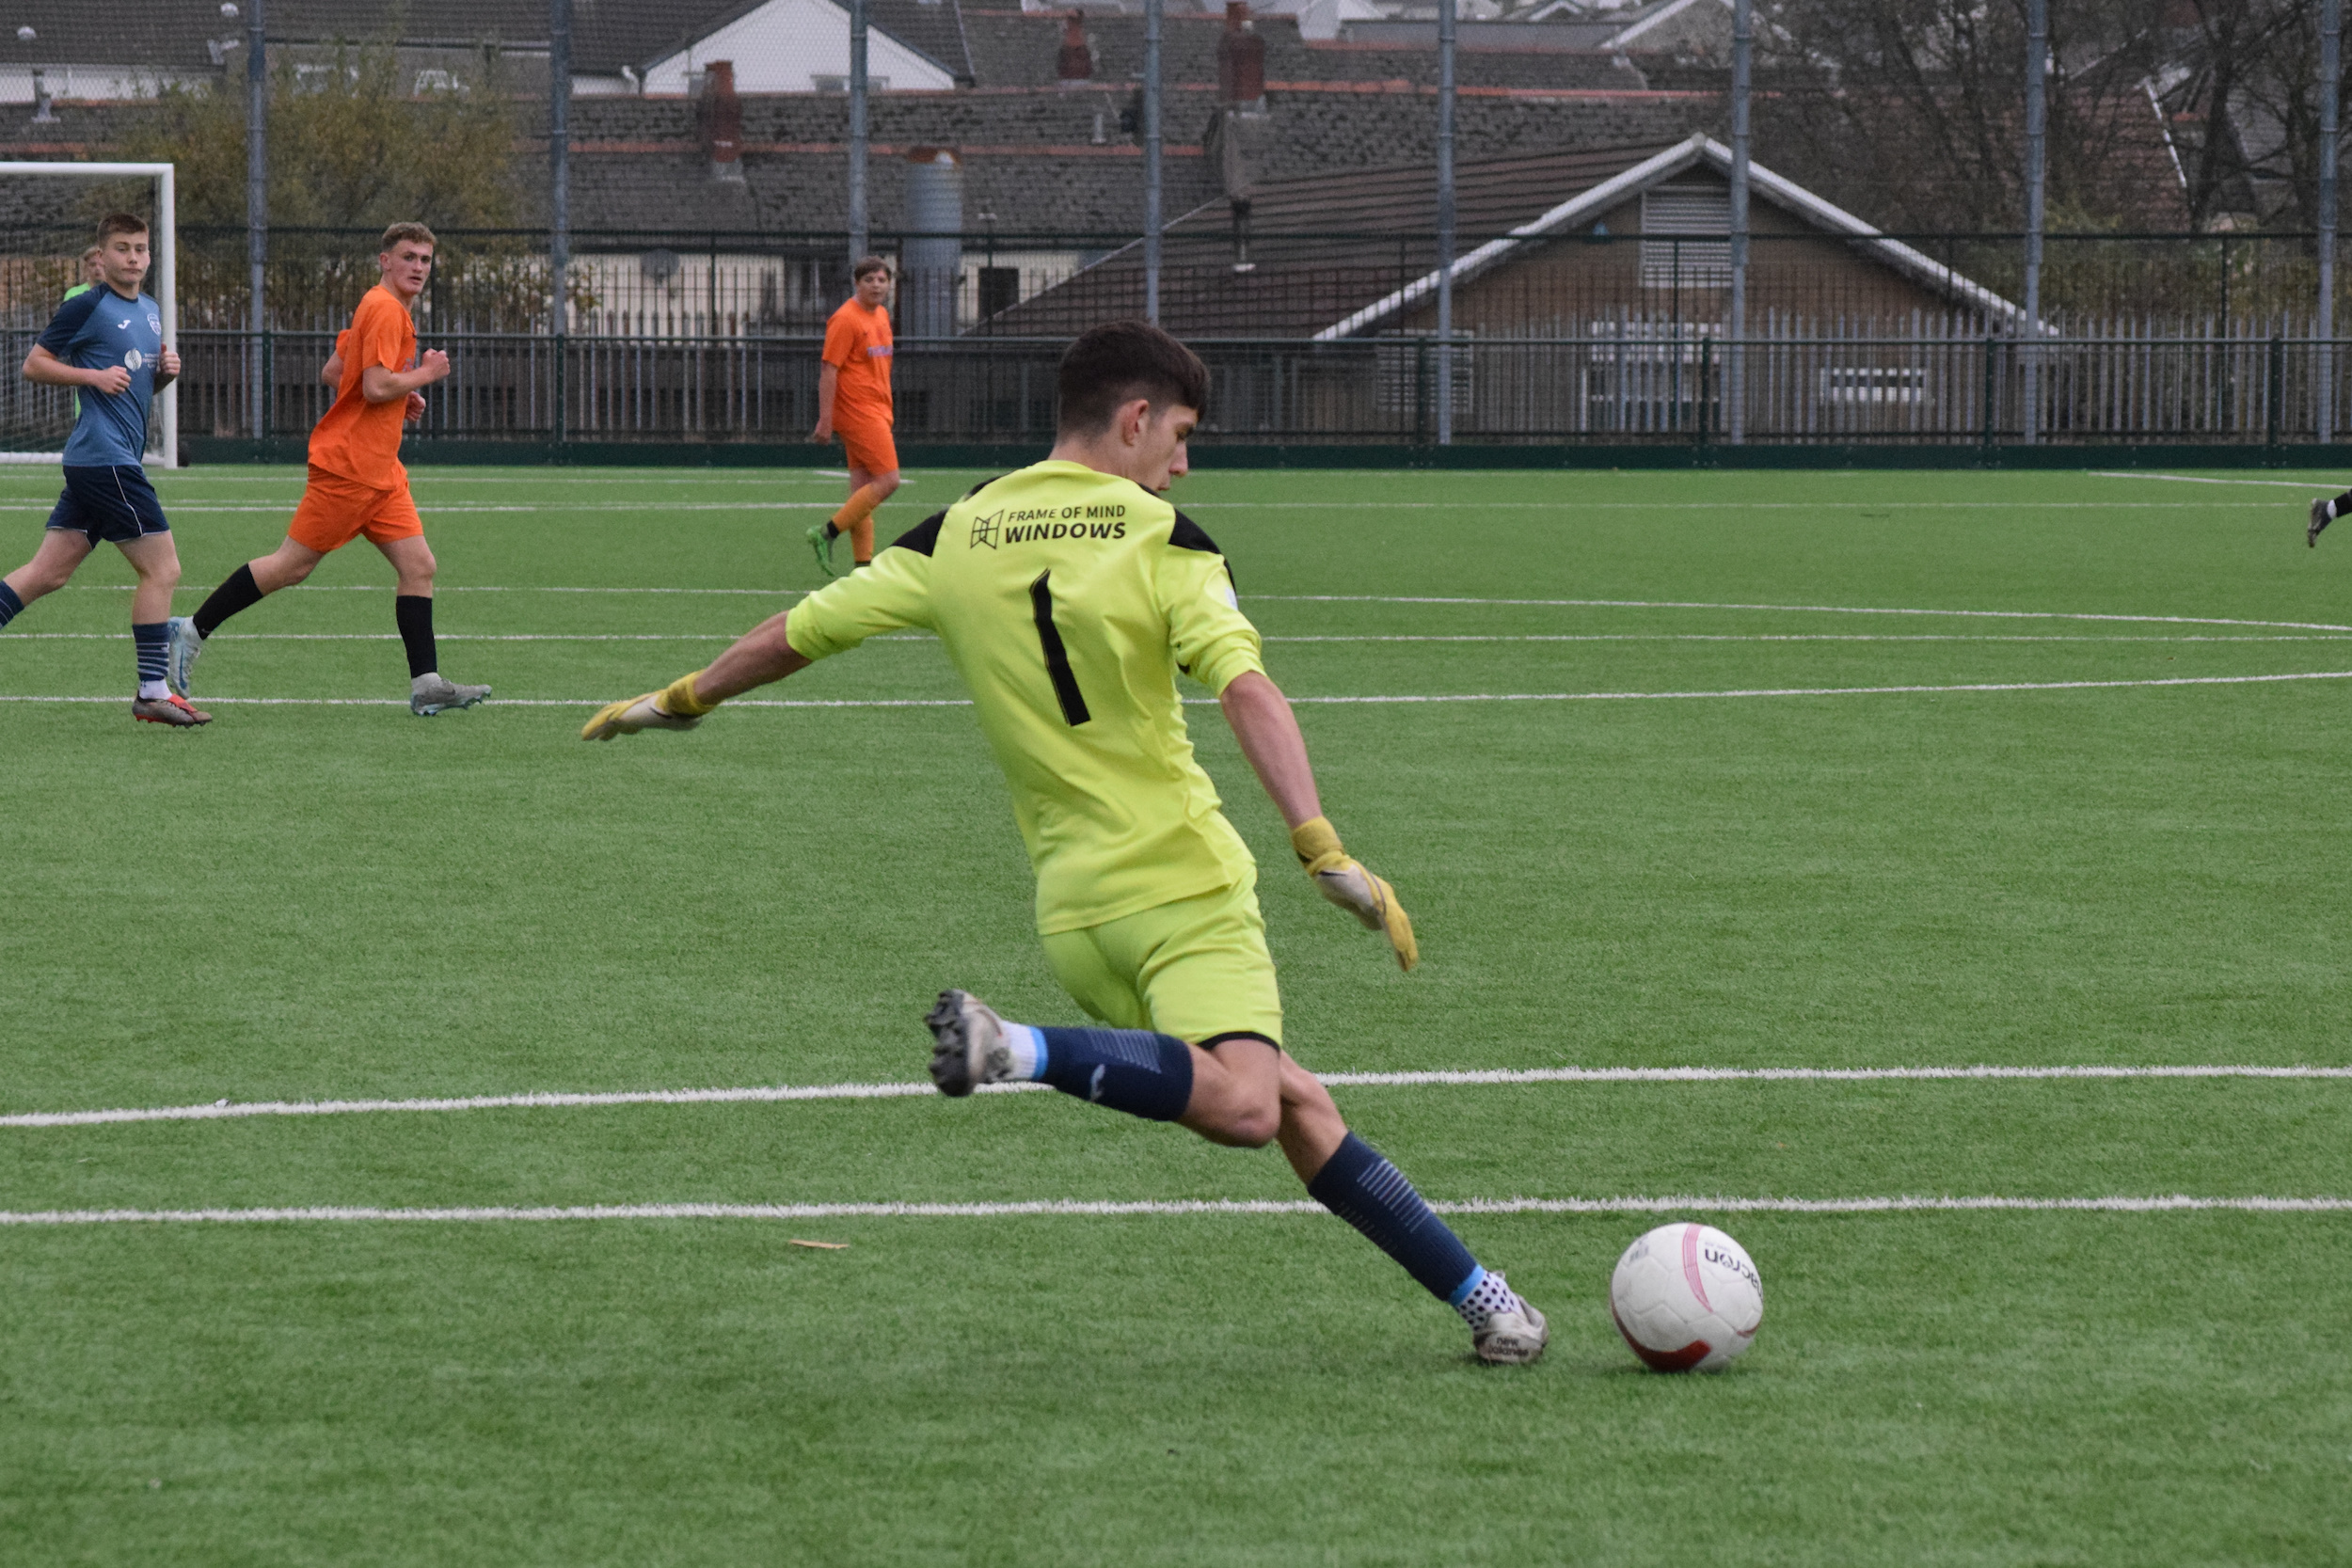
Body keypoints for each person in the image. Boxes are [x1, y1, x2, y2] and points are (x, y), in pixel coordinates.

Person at [583, 320, 1549, 1365]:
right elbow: (1246, 688)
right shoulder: (1162, 536)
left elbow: (801, 628)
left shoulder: (956, 530)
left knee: (1291, 1099)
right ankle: (1016, 1048)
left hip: (1074, 915)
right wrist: (1319, 844)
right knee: (1238, 1102)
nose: (1183, 461)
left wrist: (680, 698)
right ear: (1134, 419)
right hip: (1183, 890)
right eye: (1179, 434)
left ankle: (1488, 1300)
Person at [167, 222, 489, 717]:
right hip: (350, 470)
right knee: (289, 567)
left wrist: (403, 396)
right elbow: (377, 385)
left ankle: (426, 684)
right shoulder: (384, 309)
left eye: (426, 260)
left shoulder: (382, 308)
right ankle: (191, 629)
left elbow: (337, 373)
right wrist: (424, 374)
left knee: (419, 566)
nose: (419, 267)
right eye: (409, 257)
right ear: (385, 260)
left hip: (381, 473)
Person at [0, 214, 207, 726]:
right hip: (105, 460)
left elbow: (131, 388)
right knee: (162, 569)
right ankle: (153, 693)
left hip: (104, 461)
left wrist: (159, 377)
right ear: (102, 255)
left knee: (48, 573)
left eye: (140, 249)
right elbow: (34, 364)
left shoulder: (152, 310)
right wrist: (91, 373)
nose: (133, 257)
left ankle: (153, 693)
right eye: (122, 248)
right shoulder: (87, 306)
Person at [804, 257, 901, 578]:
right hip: (858, 412)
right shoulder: (845, 319)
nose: (876, 285)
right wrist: (825, 420)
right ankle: (826, 533)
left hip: (877, 408)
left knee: (862, 488)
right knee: (889, 481)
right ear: (856, 284)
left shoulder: (882, 315)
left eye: (882, 280)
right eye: (869, 280)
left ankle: (862, 567)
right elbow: (828, 371)